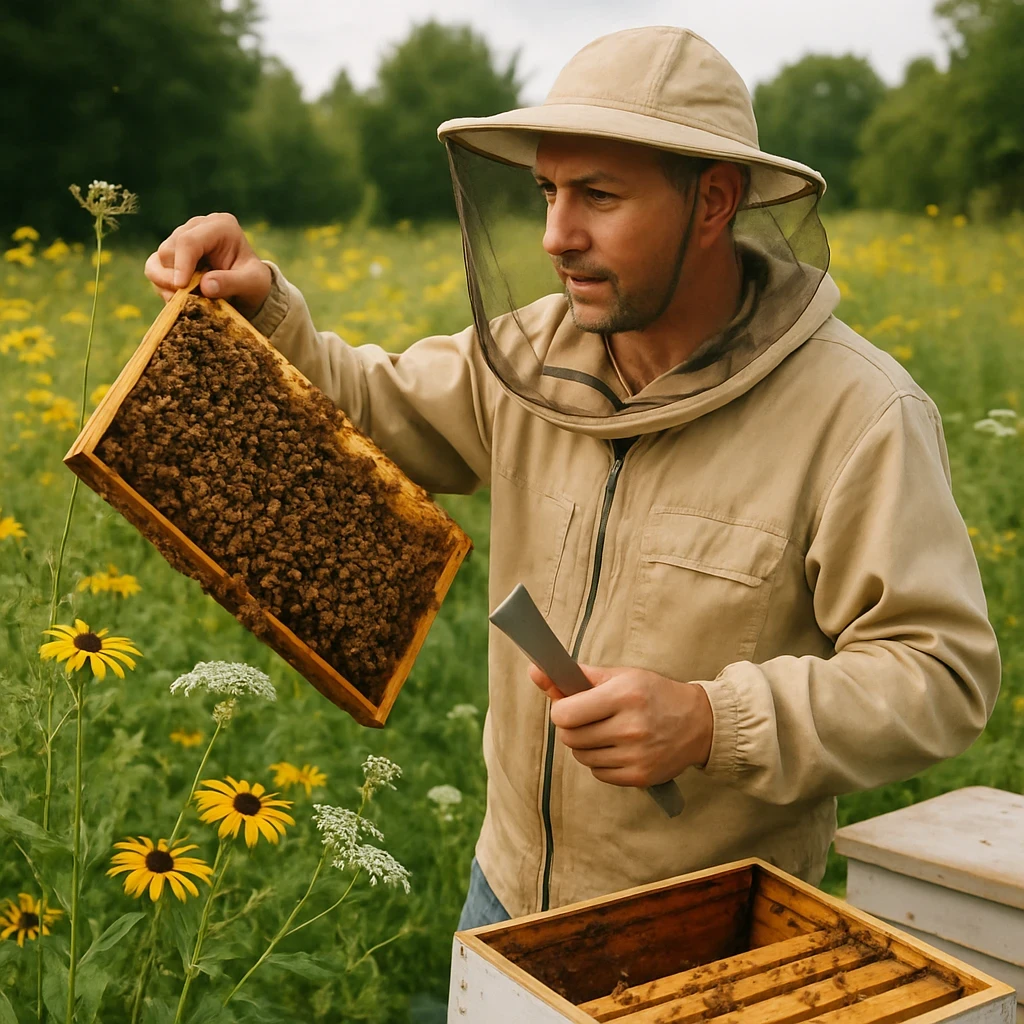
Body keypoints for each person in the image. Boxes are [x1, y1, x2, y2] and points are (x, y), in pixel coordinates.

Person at [146, 26, 1000, 931]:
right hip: (504, 888)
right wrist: (265, 311)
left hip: (711, 924)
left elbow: (939, 673)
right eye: (548, 192)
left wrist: (711, 719)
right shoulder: (528, 351)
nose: (558, 235)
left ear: (714, 201)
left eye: (599, 195)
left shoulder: (857, 413)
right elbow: (370, 410)